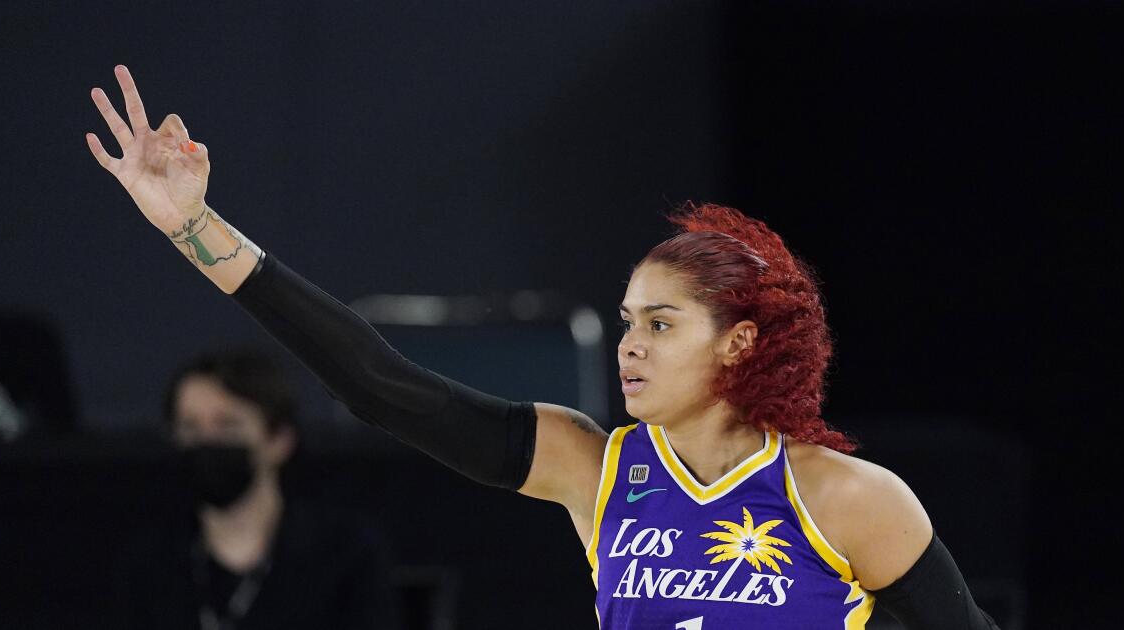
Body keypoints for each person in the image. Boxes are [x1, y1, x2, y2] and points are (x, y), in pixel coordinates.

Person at [87, 65, 999, 629]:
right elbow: (381, 386)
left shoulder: (846, 496)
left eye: (661, 324)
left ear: (741, 344)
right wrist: (194, 228)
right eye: (629, 321)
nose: (629, 346)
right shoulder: (591, 468)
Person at [113, 349, 397, 630]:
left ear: (279, 440)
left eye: (228, 426)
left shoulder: (344, 554)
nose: (207, 442)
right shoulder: (151, 562)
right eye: (190, 427)